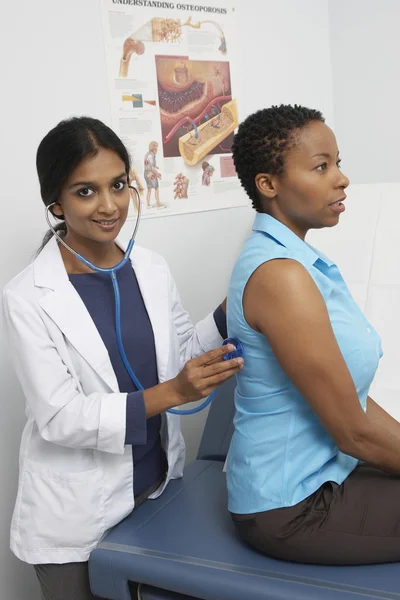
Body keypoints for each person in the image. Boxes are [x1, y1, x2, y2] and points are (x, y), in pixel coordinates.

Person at [2, 116, 244, 600]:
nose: (109, 205)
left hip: (155, 490)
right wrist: (174, 392)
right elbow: (60, 418)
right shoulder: (28, 295)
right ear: (56, 202)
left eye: (117, 185)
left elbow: (179, 356)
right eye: (85, 192)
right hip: (75, 517)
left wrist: (229, 310)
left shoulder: (151, 269)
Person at [226, 104, 400, 566]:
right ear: (269, 185)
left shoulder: (299, 262)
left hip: (326, 474)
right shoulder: (281, 276)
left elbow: (353, 401)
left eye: (338, 163)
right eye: (321, 167)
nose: (340, 179)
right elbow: (354, 433)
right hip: (291, 508)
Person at [144, 141, 164, 209]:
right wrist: (157, 173)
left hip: (146, 173)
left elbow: (148, 165)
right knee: (156, 188)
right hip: (151, 174)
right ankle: (158, 204)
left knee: (149, 189)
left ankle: (148, 204)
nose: (157, 150)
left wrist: (155, 167)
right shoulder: (151, 155)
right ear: (154, 148)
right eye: (156, 148)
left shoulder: (147, 154)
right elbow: (152, 168)